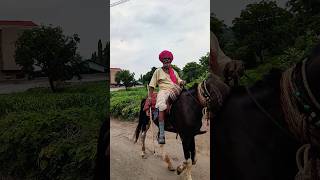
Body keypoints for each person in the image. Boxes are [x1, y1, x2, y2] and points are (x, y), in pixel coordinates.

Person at [147, 50, 185, 144]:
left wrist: (182, 82)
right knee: (161, 106)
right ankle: (161, 134)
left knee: (185, 99)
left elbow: (178, 80)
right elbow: (152, 85)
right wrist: (150, 97)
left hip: (175, 89)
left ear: (170, 61)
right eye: (165, 60)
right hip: (163, 91)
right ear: (162, 61)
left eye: (168, 60)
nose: (166, 61)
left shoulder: (174, 71)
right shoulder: (157, 71)